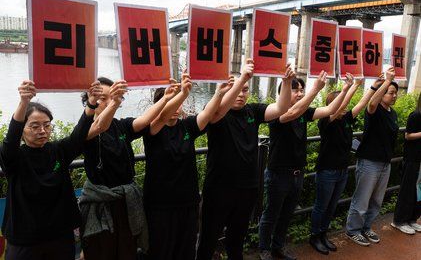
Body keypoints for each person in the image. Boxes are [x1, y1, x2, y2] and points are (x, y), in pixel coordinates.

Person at [196, 60, 294, 260]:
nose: (241, 94)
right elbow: (215, 115)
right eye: (237, 89)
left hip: (247, 188)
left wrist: (286, 82)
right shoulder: (215, 110)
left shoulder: (253, 111)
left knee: (236, 240)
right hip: (218, 188)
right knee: (208, 239)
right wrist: (241, 79)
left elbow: (281, 109)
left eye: (245, 90)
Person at [79, 77, 179, 260]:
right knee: (101, 252)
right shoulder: (86, 129)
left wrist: (166, 98)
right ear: (90, 101)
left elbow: (145, 119)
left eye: (113, 97)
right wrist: (115, 102)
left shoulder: (121, 126)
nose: (108, 102)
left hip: (125, 201)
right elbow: (100, 126)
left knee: (127, 250)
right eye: (103, 98)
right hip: (101, 203)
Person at [0, 79, 100, 260]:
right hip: (25, 239)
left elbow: (79, 135)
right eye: (34, 126)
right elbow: (10, 140)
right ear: (22, 129)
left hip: (60, 235)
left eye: (47, 125)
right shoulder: (14, 158)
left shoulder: (58, 151)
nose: (42, 131)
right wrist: (23, 102)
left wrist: (91, 103)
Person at [259, 72, 352, 260]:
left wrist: (345, 89)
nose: (300, 93)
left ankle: (278, 247)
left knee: (286, 215)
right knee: (271, 214)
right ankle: (264, 250)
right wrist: (315, 89)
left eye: (302, 90)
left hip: (297, 174)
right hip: (279, 174)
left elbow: (329, 110)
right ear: (284, 93)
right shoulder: (277, 112)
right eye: (295, 90)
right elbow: (292, 113)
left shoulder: (305, 113)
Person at [143, 73, 232, 260]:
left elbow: (209, 114)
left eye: (179, 102)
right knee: (161, 251)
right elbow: (160, 119)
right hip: (160, 206)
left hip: (188, 202)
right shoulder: (152, 130)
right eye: (171, 102)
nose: (176, 107)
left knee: (186, 250)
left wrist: (219, 93)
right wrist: (182, 93)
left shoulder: (187, 127)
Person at [309, 74, 385, 255]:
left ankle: (323, 234)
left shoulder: (346, 120)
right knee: (322, 206)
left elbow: (360, 105)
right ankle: (315, 237)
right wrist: (350, 88)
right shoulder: (327, 121)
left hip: (342, 171)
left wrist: (372, 87)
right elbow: (341, 105)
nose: (344, 105)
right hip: (327, 171)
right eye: (339, 102)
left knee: (332, 205)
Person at [346, 67, 398, 246]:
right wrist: (385, 82)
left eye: (395, 93)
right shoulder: (374, 110)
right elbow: (372, 103)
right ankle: (353, 230)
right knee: (362, 198)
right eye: (391, 92)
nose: (394, 96)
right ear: (383, 93)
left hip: (385, 163)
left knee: (376, 200)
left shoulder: (394, 114)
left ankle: (366, 227)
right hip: (369, 162)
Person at [391, 93, 421, 234]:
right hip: (412, 159)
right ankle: (399, 221)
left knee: (419, 192)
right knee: (407, 190)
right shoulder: (415, 115)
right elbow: (408, 135)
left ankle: (412, 219)